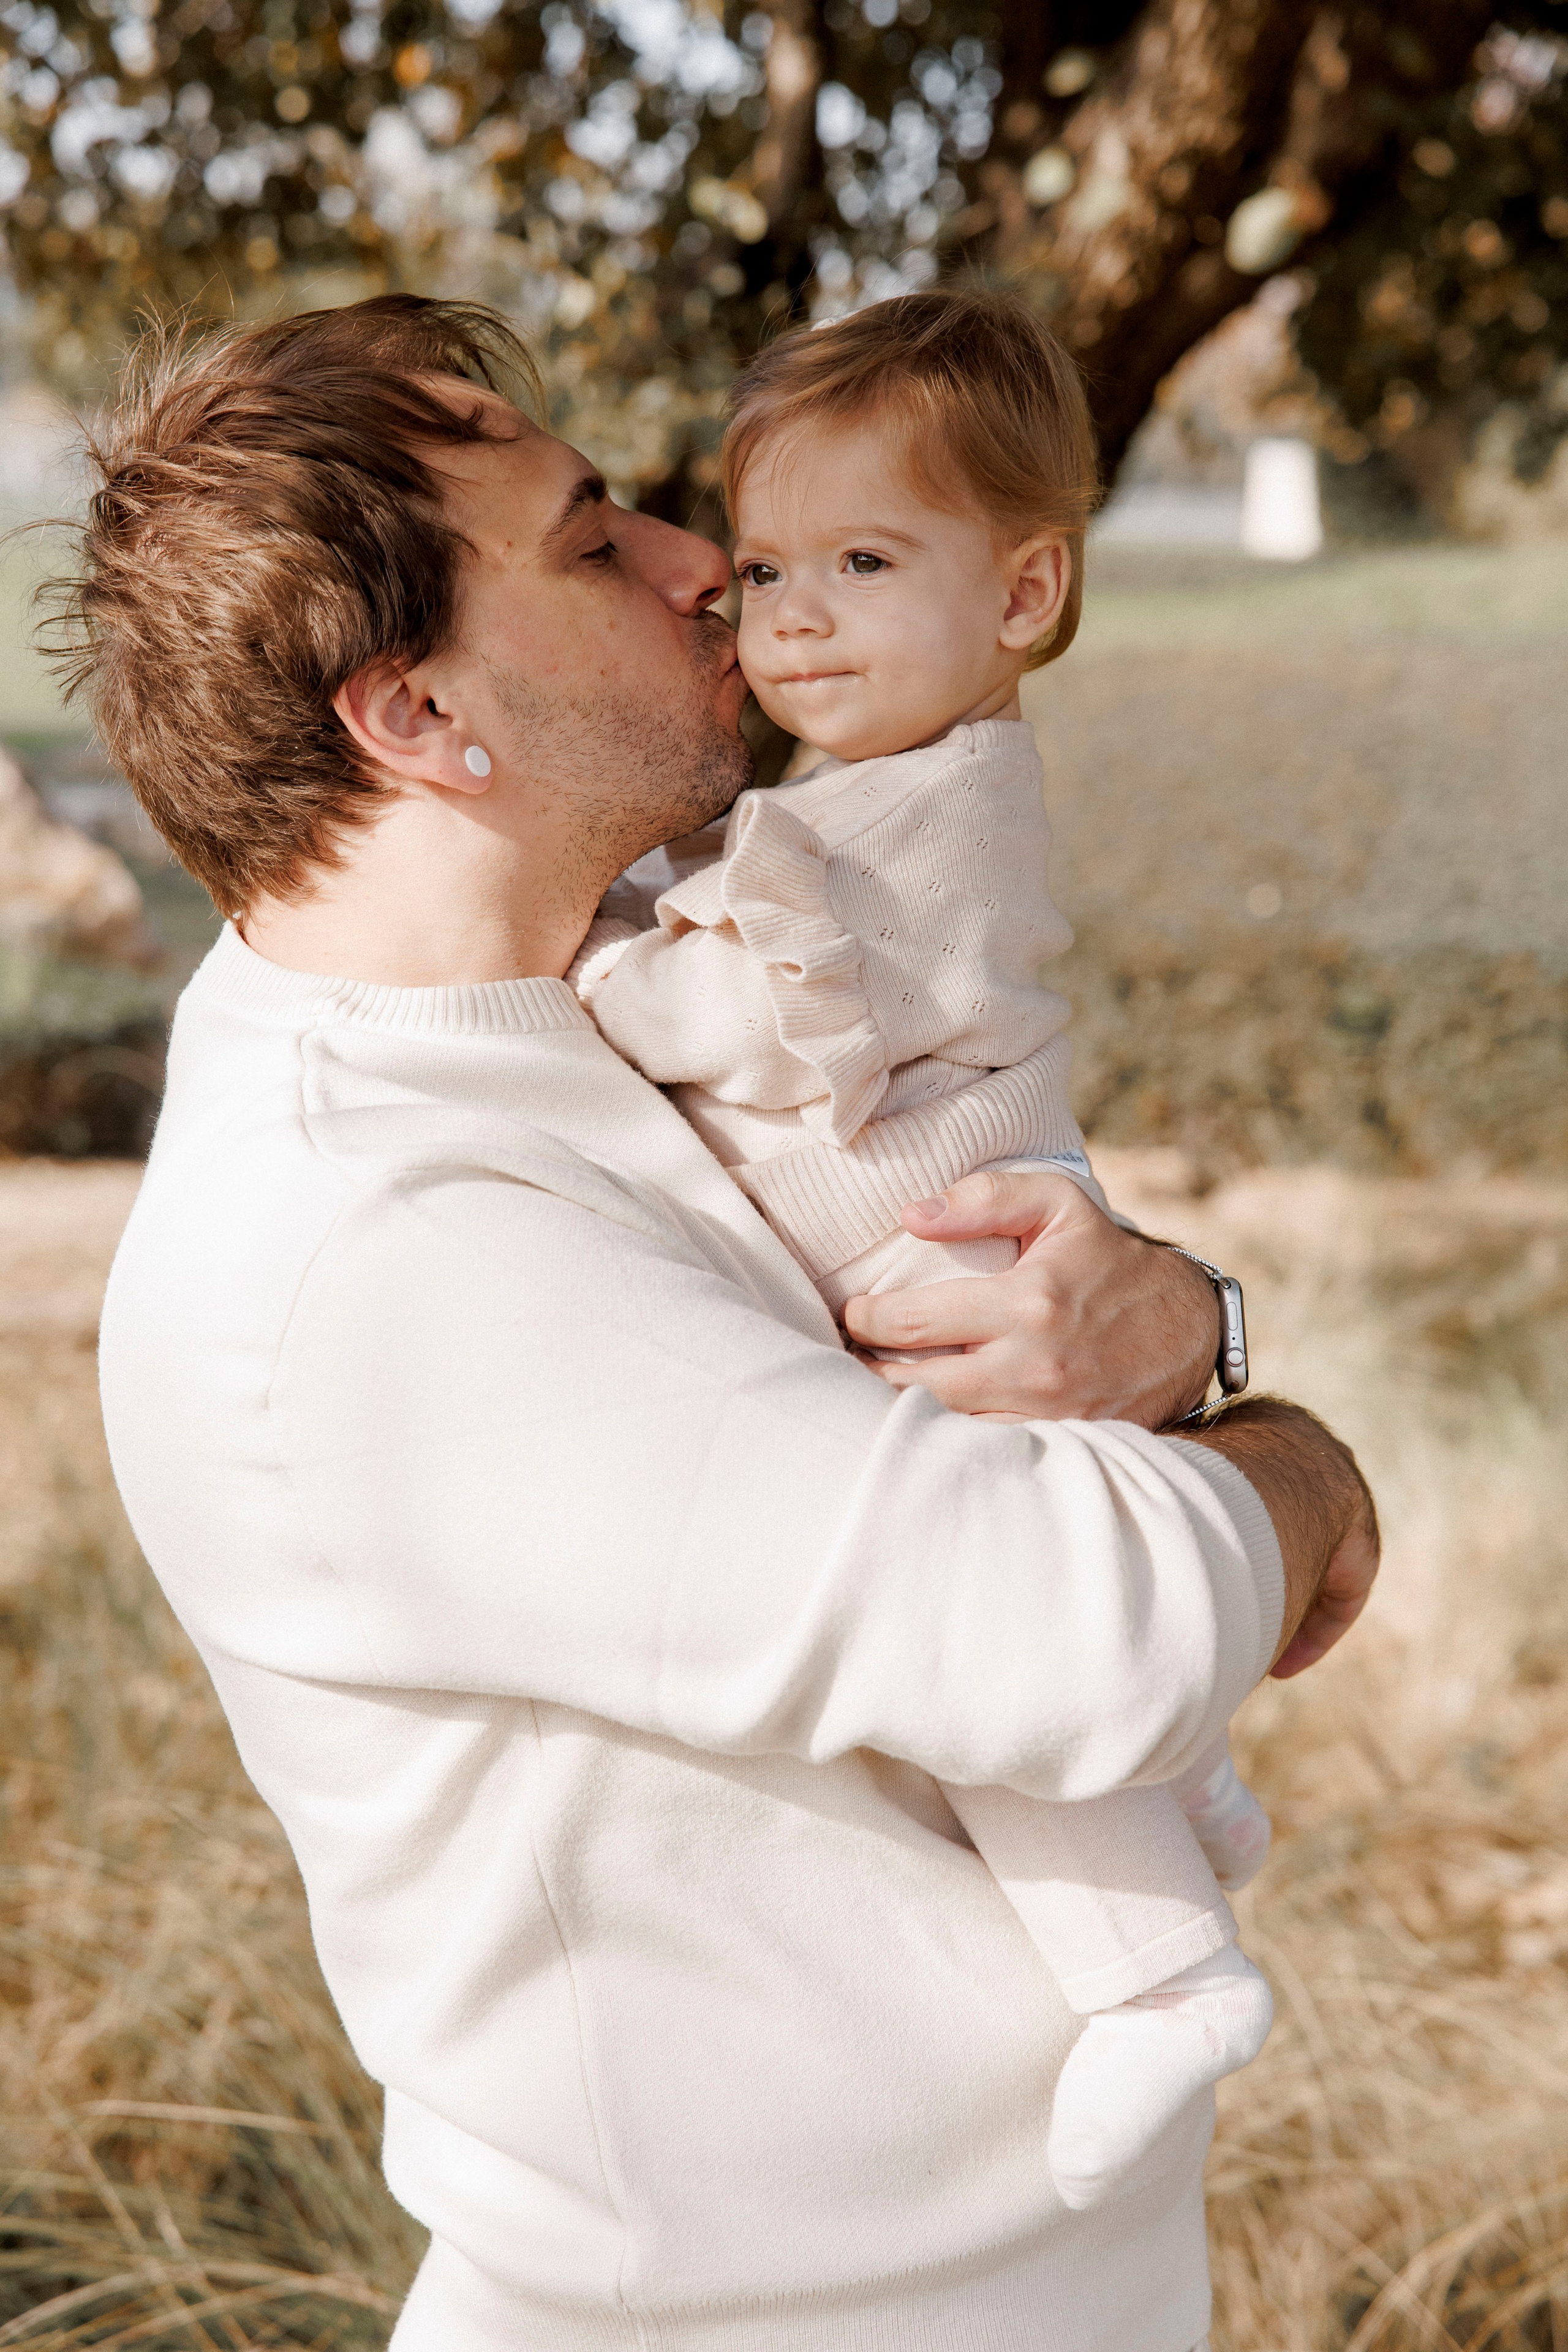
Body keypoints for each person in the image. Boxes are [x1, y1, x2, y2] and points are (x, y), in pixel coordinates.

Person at [74, 295, 1378, 2352]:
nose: (710, 565)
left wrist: (1187, 1338)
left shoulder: (563, 1009)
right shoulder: (367, 1246)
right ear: (416, 717)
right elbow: (1080, 1632)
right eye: (596, 544)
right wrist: (1306, 1470)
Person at [570, 288, 1278, 2214]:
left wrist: (591, 958)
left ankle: (1160, 1978)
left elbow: (740, 1027)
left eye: (866, 563)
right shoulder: (875, 794)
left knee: (989, 1655)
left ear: (1026, 595)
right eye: (775, 563)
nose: (788, 613)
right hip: (951, 1212)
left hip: (939, 1246)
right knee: (1033, 1577)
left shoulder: (925, 818)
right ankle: (1194, 1790)